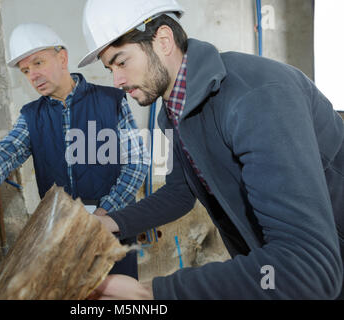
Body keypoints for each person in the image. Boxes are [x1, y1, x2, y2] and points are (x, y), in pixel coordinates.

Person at [78, 0, 344, 299]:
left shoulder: (256, 96)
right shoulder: (173, 111)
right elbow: (179, 193)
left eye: (122, 62)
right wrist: (107, 224)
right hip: (277, 275)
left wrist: (152, 292)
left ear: (163, 41)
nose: (117, 81)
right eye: (109, 68)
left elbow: (306, 269)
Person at [0, 23, 150, 279]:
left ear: (62, 57)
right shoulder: (31, 116)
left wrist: (105, 212)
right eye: (25, 70)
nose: (33, 75)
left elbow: (137, 162)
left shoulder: (111, 100)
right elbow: (7, 152)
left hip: (113, 228)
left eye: (38, 63)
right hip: (61, 232)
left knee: (119, 296)